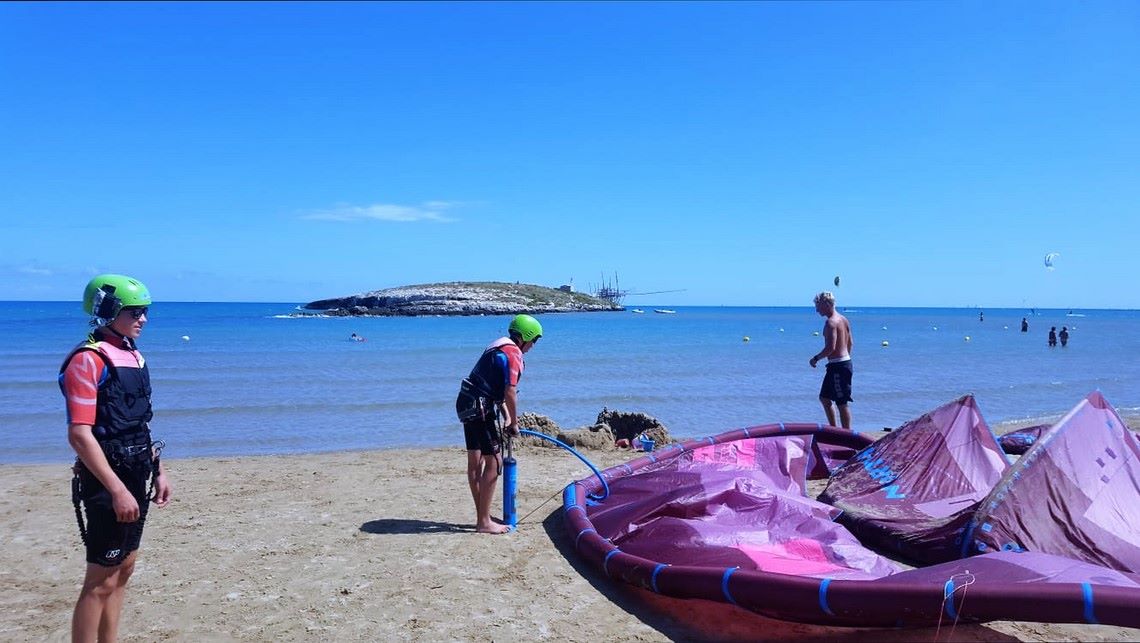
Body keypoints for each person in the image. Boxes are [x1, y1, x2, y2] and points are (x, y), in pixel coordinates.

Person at [59, 274, 172, 642]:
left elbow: (139, 423)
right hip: (109, 481)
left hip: (137, 469)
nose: (143, 319)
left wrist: (158, 470)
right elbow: (80, 433)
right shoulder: (88, 360)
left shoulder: (134, 355)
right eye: (134, 311)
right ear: (107, 310)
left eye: (145, 312)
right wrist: (117, 490)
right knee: (99, 580)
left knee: (124, 570)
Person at [454, 314, 542, 534]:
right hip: (481, 407)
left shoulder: (498, 346)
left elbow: (496, 392)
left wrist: (506, 416)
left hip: (466, 401)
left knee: (475, 461)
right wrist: (514, 422)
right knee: (494, 461)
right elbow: (510, 391)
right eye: (534, 341)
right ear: (525, 337)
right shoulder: (514, 353)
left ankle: (482, 515)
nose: (533, 346)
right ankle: (484, 522)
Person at [809, 291, 854, 429]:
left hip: (839, 367)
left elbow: (830, 348)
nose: (817, 310)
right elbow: (850, 343)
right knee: (825, 398)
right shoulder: (843, 319)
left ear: (827, 304)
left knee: (842, 402)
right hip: (841, 364)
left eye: (819, 306)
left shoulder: (831, 323)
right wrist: (845, 358)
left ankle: (847, 435)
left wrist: (816, 358)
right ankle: (834, 429)